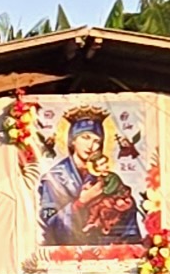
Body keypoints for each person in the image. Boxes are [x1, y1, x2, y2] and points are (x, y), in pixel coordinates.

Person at [35, 106, 151, 251]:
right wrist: (81, 202)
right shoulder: (54, 177)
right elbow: (47, 225)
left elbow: (128, 226)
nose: (91, 146)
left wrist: (124, 205)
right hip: (68, 251)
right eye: (85, 137)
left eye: (97, 141)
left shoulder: (106, 176)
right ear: (72, 140)